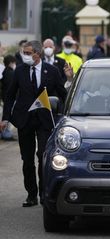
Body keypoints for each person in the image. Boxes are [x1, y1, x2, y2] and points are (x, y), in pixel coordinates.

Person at [0, 40, 67, 207]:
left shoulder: (51, 71)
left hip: (44, 119)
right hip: (24, 119)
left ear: (38, 54)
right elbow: (10, 95)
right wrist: (5, 118)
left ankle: (45, 193)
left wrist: (66, 115)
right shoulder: (20, 71)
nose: (25, 56)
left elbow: (62, 93)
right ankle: (31, 195)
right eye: (24, 52)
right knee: (27, 159)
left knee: (43, 156)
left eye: (29, 53)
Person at [0, 55, 16, 140]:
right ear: (11, 63)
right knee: (7, 117)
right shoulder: (11, 73)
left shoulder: (5, 72)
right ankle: (6, 134)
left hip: (5, 97)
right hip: (9, 98)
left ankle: (4, 132)